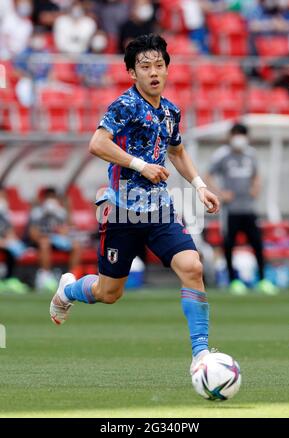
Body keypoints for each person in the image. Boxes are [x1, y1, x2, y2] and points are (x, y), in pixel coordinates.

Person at [49, 34, 220, 379]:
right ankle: (67, 290)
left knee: (192, 266)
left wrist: (200, 186)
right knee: (109, 293)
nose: (153, 72)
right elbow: (97, 143)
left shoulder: (171, 111)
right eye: (145, 66)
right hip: (122, 211)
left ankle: (201, 355)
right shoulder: (124, 106)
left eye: (159, 65)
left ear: (168, 69)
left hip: (159, 210)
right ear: (132, 73)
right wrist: (141, 166)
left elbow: (176, 151)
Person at [206, 122, 278, 295]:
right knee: (229, 244)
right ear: (230, 136)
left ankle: (262, 280)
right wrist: (221, 194)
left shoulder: (250, 154)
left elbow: (256, 174)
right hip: (230, 211)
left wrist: (256, 187)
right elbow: (207, 176)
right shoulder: (222, 155)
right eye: (236, 134)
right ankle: (233, 281)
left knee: (257, 244)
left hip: (249, 208)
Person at [27, 187, 81, 291]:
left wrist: (68, 209)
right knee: (44, 243)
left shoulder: (60, 212)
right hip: (42, 240)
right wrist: (42, 237)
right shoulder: (37, 212)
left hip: (57, 239)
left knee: (76, 245)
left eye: (53, 197)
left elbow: (68, 229)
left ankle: (72, 276)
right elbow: (32, 233)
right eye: (49, 197)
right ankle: (45, 276)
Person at [0, 186, 29, 294]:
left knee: (15, 249)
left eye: (4, 196)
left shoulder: (6, 214)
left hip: (4, 243)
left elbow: (9, 231)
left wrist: (10, 239)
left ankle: (11, 279)